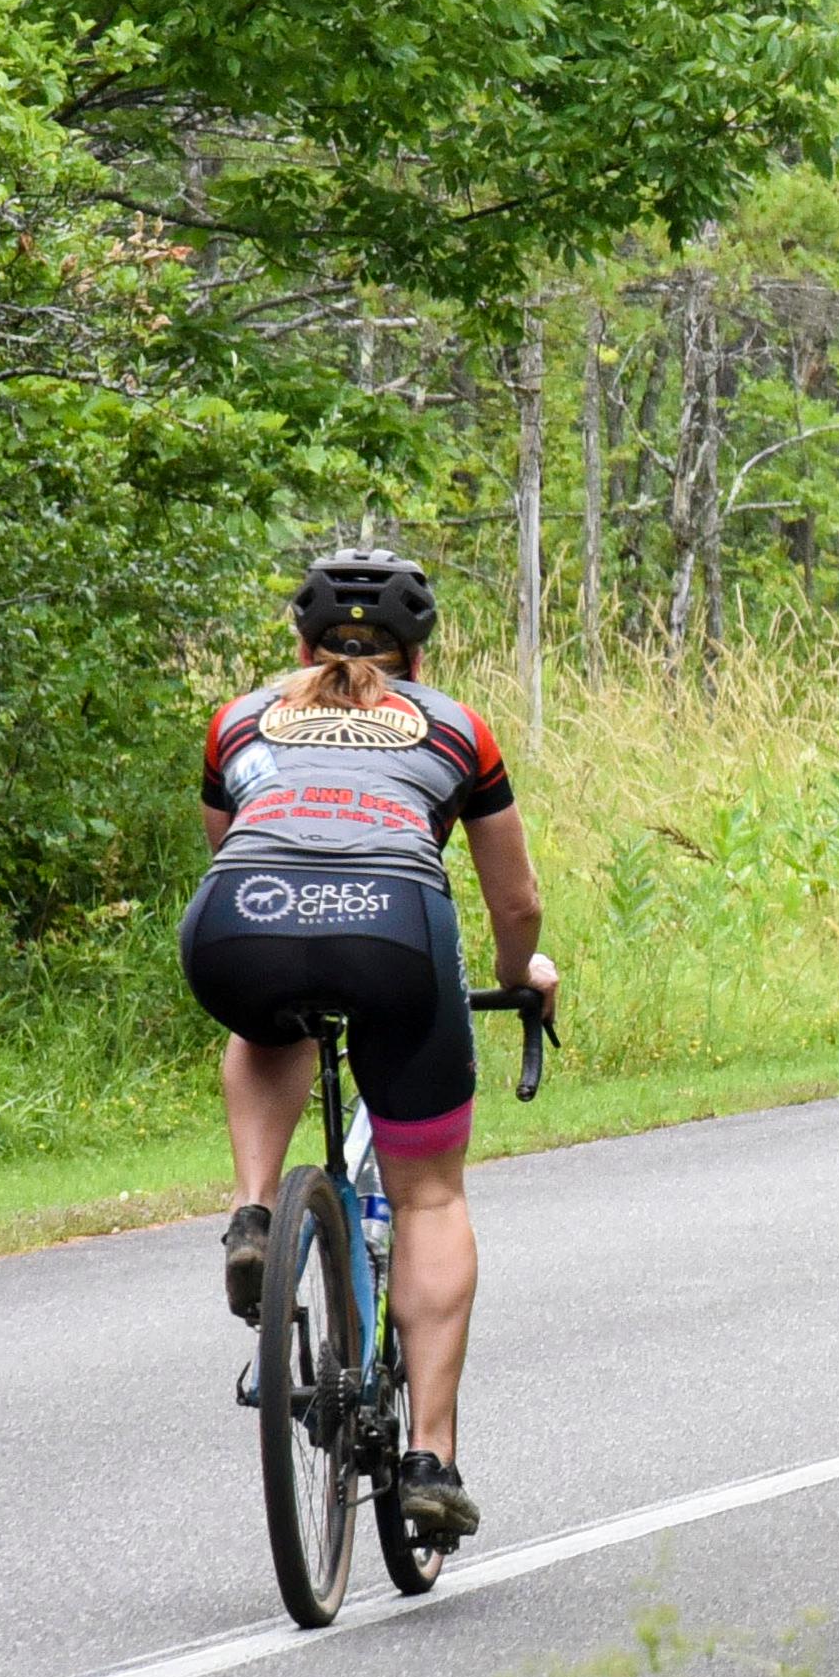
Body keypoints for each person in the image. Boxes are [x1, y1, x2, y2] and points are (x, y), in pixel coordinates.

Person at [178, 548, 558, 1540]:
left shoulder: (237, 718)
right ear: (419, 654)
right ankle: (430, 1456)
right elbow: (515, 900)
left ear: (297, 644)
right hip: (395, 933)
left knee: (267, 1020)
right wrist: (524, 978)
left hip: (240, 925)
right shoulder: (457, 730)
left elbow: (234, 844)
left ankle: (255, 1214)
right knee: (429, 1191)